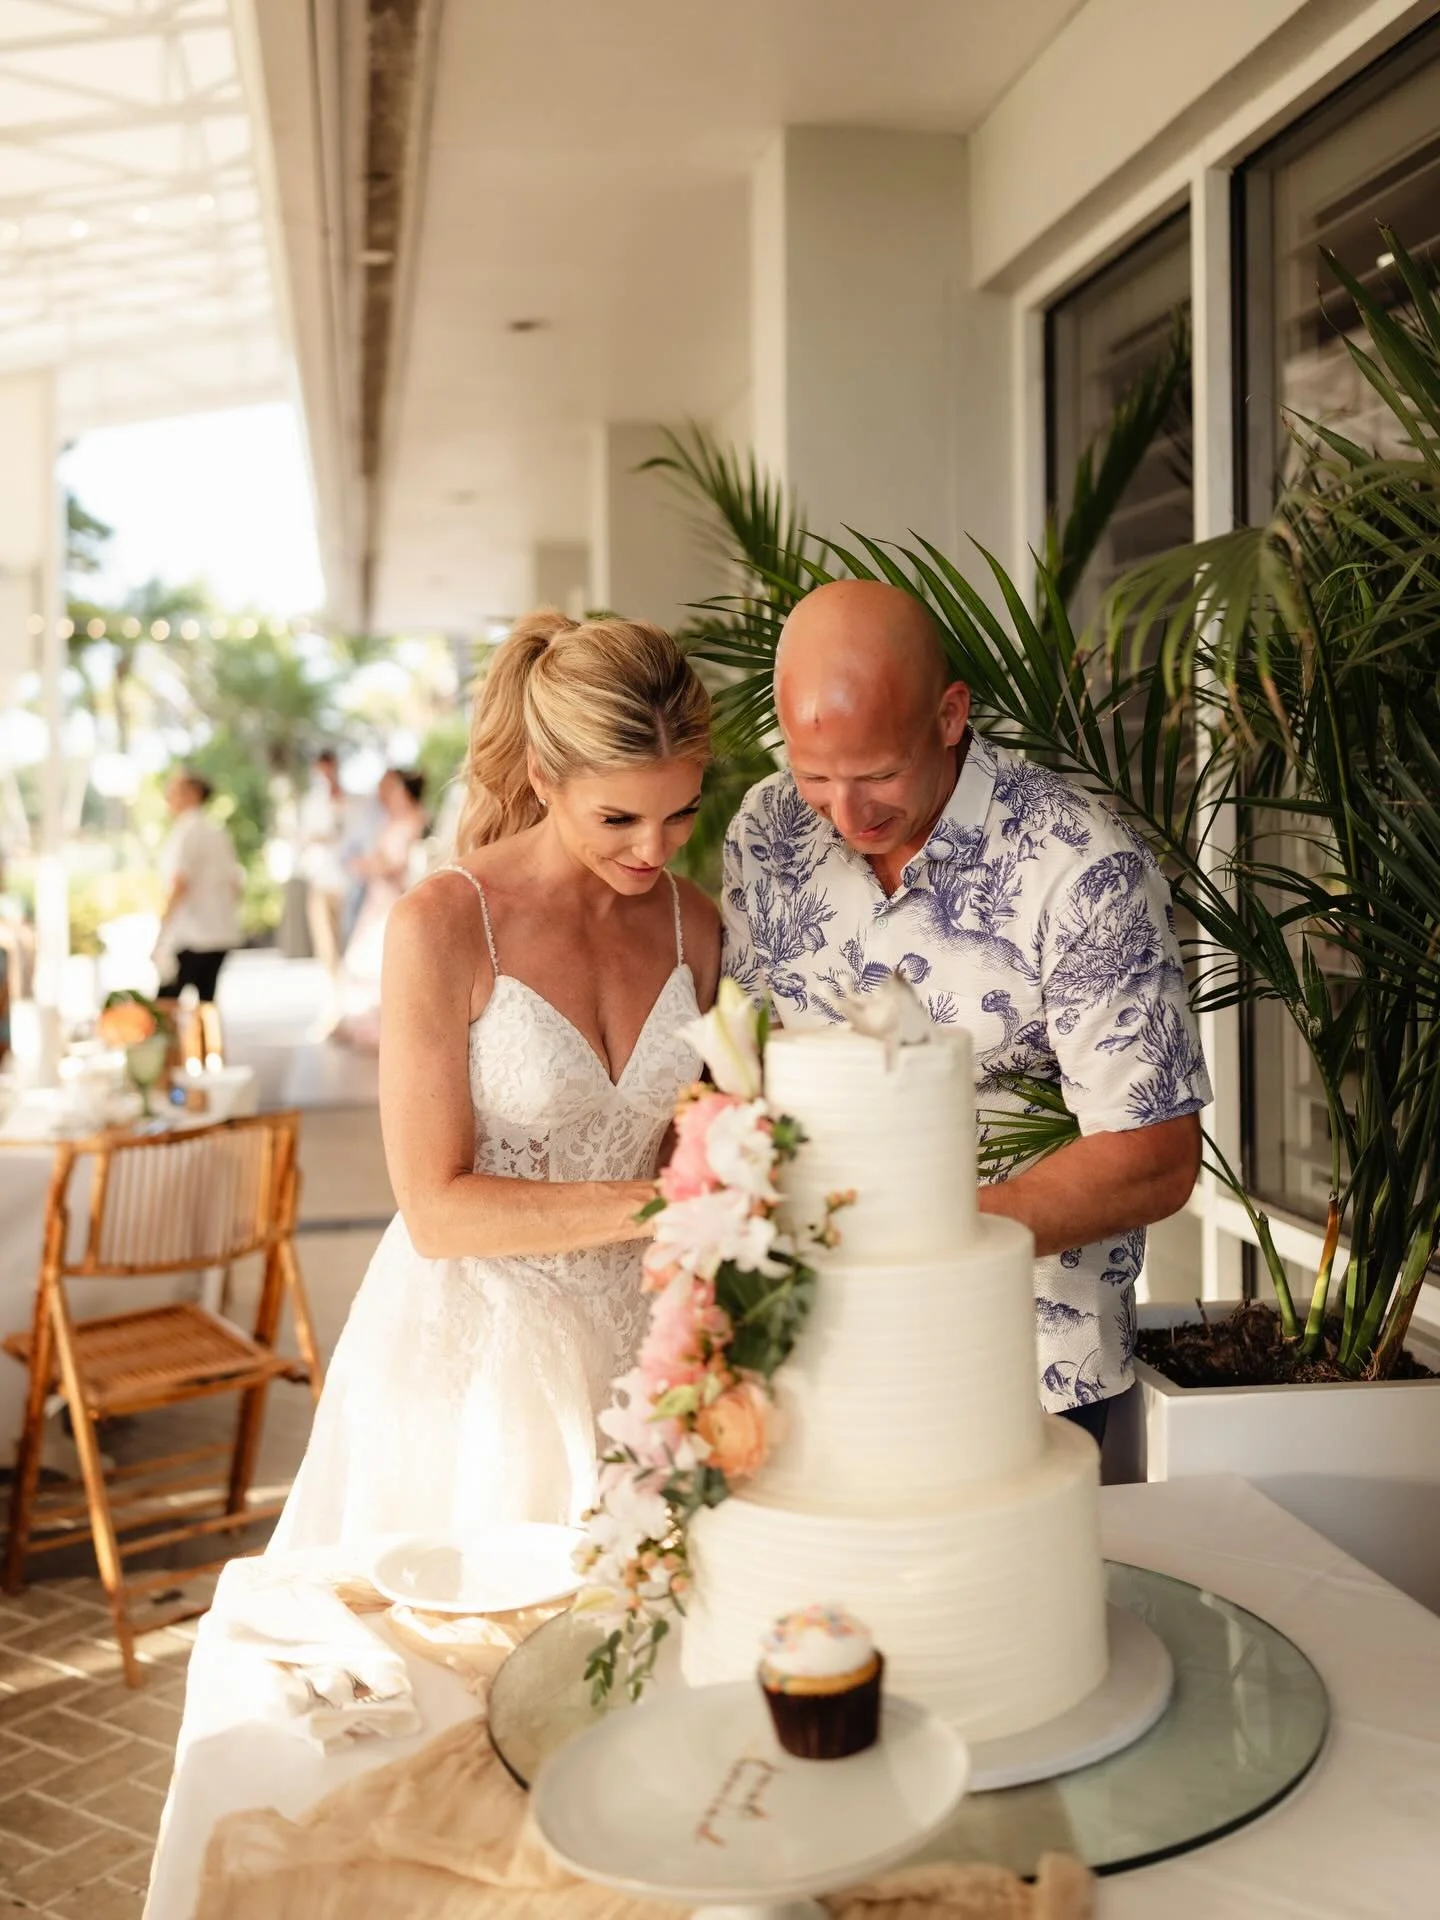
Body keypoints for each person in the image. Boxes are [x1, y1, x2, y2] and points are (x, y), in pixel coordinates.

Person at [722, 579, 1210, 1445]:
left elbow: (1155, 1158)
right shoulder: (766, 833)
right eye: (814, 777)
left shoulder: (1078, 865)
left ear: (951, 716)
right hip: (810, 1359)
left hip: (1024, 1367)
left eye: (879, 774)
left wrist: (926, 1231)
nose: (847, 813)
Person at [271, 611, 720, 1549]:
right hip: (481, 1366)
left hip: (645, 1346)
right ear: (545, 779)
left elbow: (693, 1140)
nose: (654, 848)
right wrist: (664, 1208)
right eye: (619, 817)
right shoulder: (442, 925)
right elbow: (436, 1212)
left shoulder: (695, 925)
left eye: (680, 810)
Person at [327, 768, 430, 1050]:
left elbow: (398, 865)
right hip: (377, 899)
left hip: (395, 897)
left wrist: (368, 866)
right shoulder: (391, 822)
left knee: (379, 962)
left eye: (394, 789)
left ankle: (387, 1030)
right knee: (361, 962)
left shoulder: (416, 822)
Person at [154, 769, 242, 1003]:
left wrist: (161, 930)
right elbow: (235, 885)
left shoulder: (185, 831)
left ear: (192, 794)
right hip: (219, 933)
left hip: (191, 937)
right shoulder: (218, 832)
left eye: (174, 791)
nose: (168, 797)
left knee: (165, 1009)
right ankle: (209, 1041)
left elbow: (179, 884)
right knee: (206, 1007)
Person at [297, 749, 351, 978]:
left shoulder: (351, 800)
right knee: (325, 938)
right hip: (322, 877)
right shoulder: (311, 803)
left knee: (348, 936)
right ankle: (334, 986)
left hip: (350, 878)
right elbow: (304, 838)